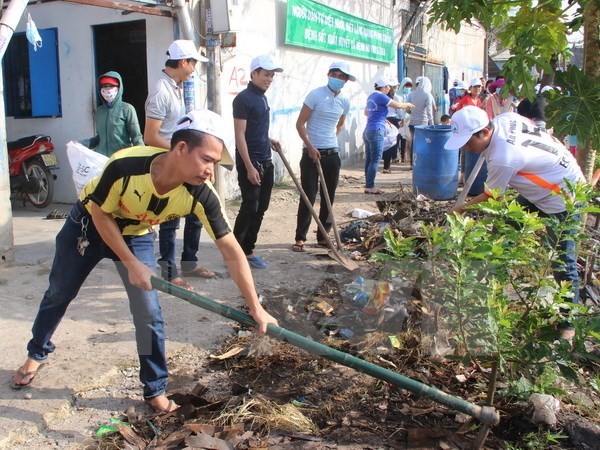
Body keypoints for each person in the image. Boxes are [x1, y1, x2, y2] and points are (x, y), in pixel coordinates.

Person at [10, 109, 279, 412]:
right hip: (86, 225)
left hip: (136, 234)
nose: (210, 171)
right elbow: (99, 212)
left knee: (148, 312)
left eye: (215, 163)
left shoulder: (201, 194)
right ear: (180, 148)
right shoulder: (127, 164)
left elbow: (231, 250)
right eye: (206, 159)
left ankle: (155, 389)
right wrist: (131, 263)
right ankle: (37, 352)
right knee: (60, 292)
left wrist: (256, 308)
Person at [445, 106, 585, 324]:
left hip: (564, 195)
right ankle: (492, 284)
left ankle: (569, 325)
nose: (465, 148)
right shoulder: (505, 118)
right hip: (546, 181)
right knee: (504, 229)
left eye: (467, 141)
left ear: (484, 132)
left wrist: (460, 209)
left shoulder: (503, 156)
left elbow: (492, 197)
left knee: (561, 260)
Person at [145, 39, 215, 289]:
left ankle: (189, 263)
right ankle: (168, 271)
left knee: (195, 213)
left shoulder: (178, 87)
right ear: (183, 62)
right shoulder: (160, 90)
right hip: (171, 164)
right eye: (194, 62)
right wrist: (180, 154)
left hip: (185, 162)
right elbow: (151, 136)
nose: (195, 68)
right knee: (170, 219)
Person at [292, 61, 356, 253]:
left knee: (329, 195)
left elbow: (340, 124)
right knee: (308, 195)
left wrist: (330, 142)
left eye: (342, 77)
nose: (337, 79)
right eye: (335, 75)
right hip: (310, 154)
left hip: (331, 154)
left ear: (346, 81)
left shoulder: (345, 101)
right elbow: (300, 124)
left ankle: (323, 236)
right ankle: (300, 237)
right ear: (329, 74)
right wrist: (311, 146)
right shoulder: (316, 95)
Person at [232, 55, 283, 269]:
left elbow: (256, 128)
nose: (269, 79)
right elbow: (240, 136)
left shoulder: (262, 97)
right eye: (265, 75)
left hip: (265, 157)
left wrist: (268, 140)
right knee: (249, 206)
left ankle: (248, 249)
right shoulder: (243, 99)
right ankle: (235, 252)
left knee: (262, 206)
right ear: (254, 74)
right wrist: (250, 167)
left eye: (271, 75)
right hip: (250, 161)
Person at [363, 76, 413, 194]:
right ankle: (370, 186)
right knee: (375, 159)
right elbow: (398, 105)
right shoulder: (381, 96)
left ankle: (368, 184)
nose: (389, 89)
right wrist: (408, 104)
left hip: (368, 130)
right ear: (384, 87)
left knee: (369, 159)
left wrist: (381, 117)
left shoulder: (371, 97)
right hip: (377, 130)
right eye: (388, 87)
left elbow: (366, 112)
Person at [83, 71, 144, 157]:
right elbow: (100, 138)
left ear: (119, 88)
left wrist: (141, 158)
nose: (107, 89)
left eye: (111, 86)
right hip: (102, 159)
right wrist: (82, 144)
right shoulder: (99, 111)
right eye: (104, 86)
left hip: (121, 160)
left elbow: (136, 137)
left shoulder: (127, 109)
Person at [407, 76, 435, 168]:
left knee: (414, 143)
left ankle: (412, 164)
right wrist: (432, 124)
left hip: (412, 123)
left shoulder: (412, 93)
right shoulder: (427, 95)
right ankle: (421, 163)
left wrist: (413, 113)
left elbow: (408, 109)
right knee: (423, 144)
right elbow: (429, 111)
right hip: (423, 123)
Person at [382, 77, 402, 173]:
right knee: (392, 142)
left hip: (384, 120)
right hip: (393, 121)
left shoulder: (382, 97)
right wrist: (402, 119)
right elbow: (399, 109)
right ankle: (390, 161)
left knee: (386, 142)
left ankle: (386, 164)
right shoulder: (395, 98)